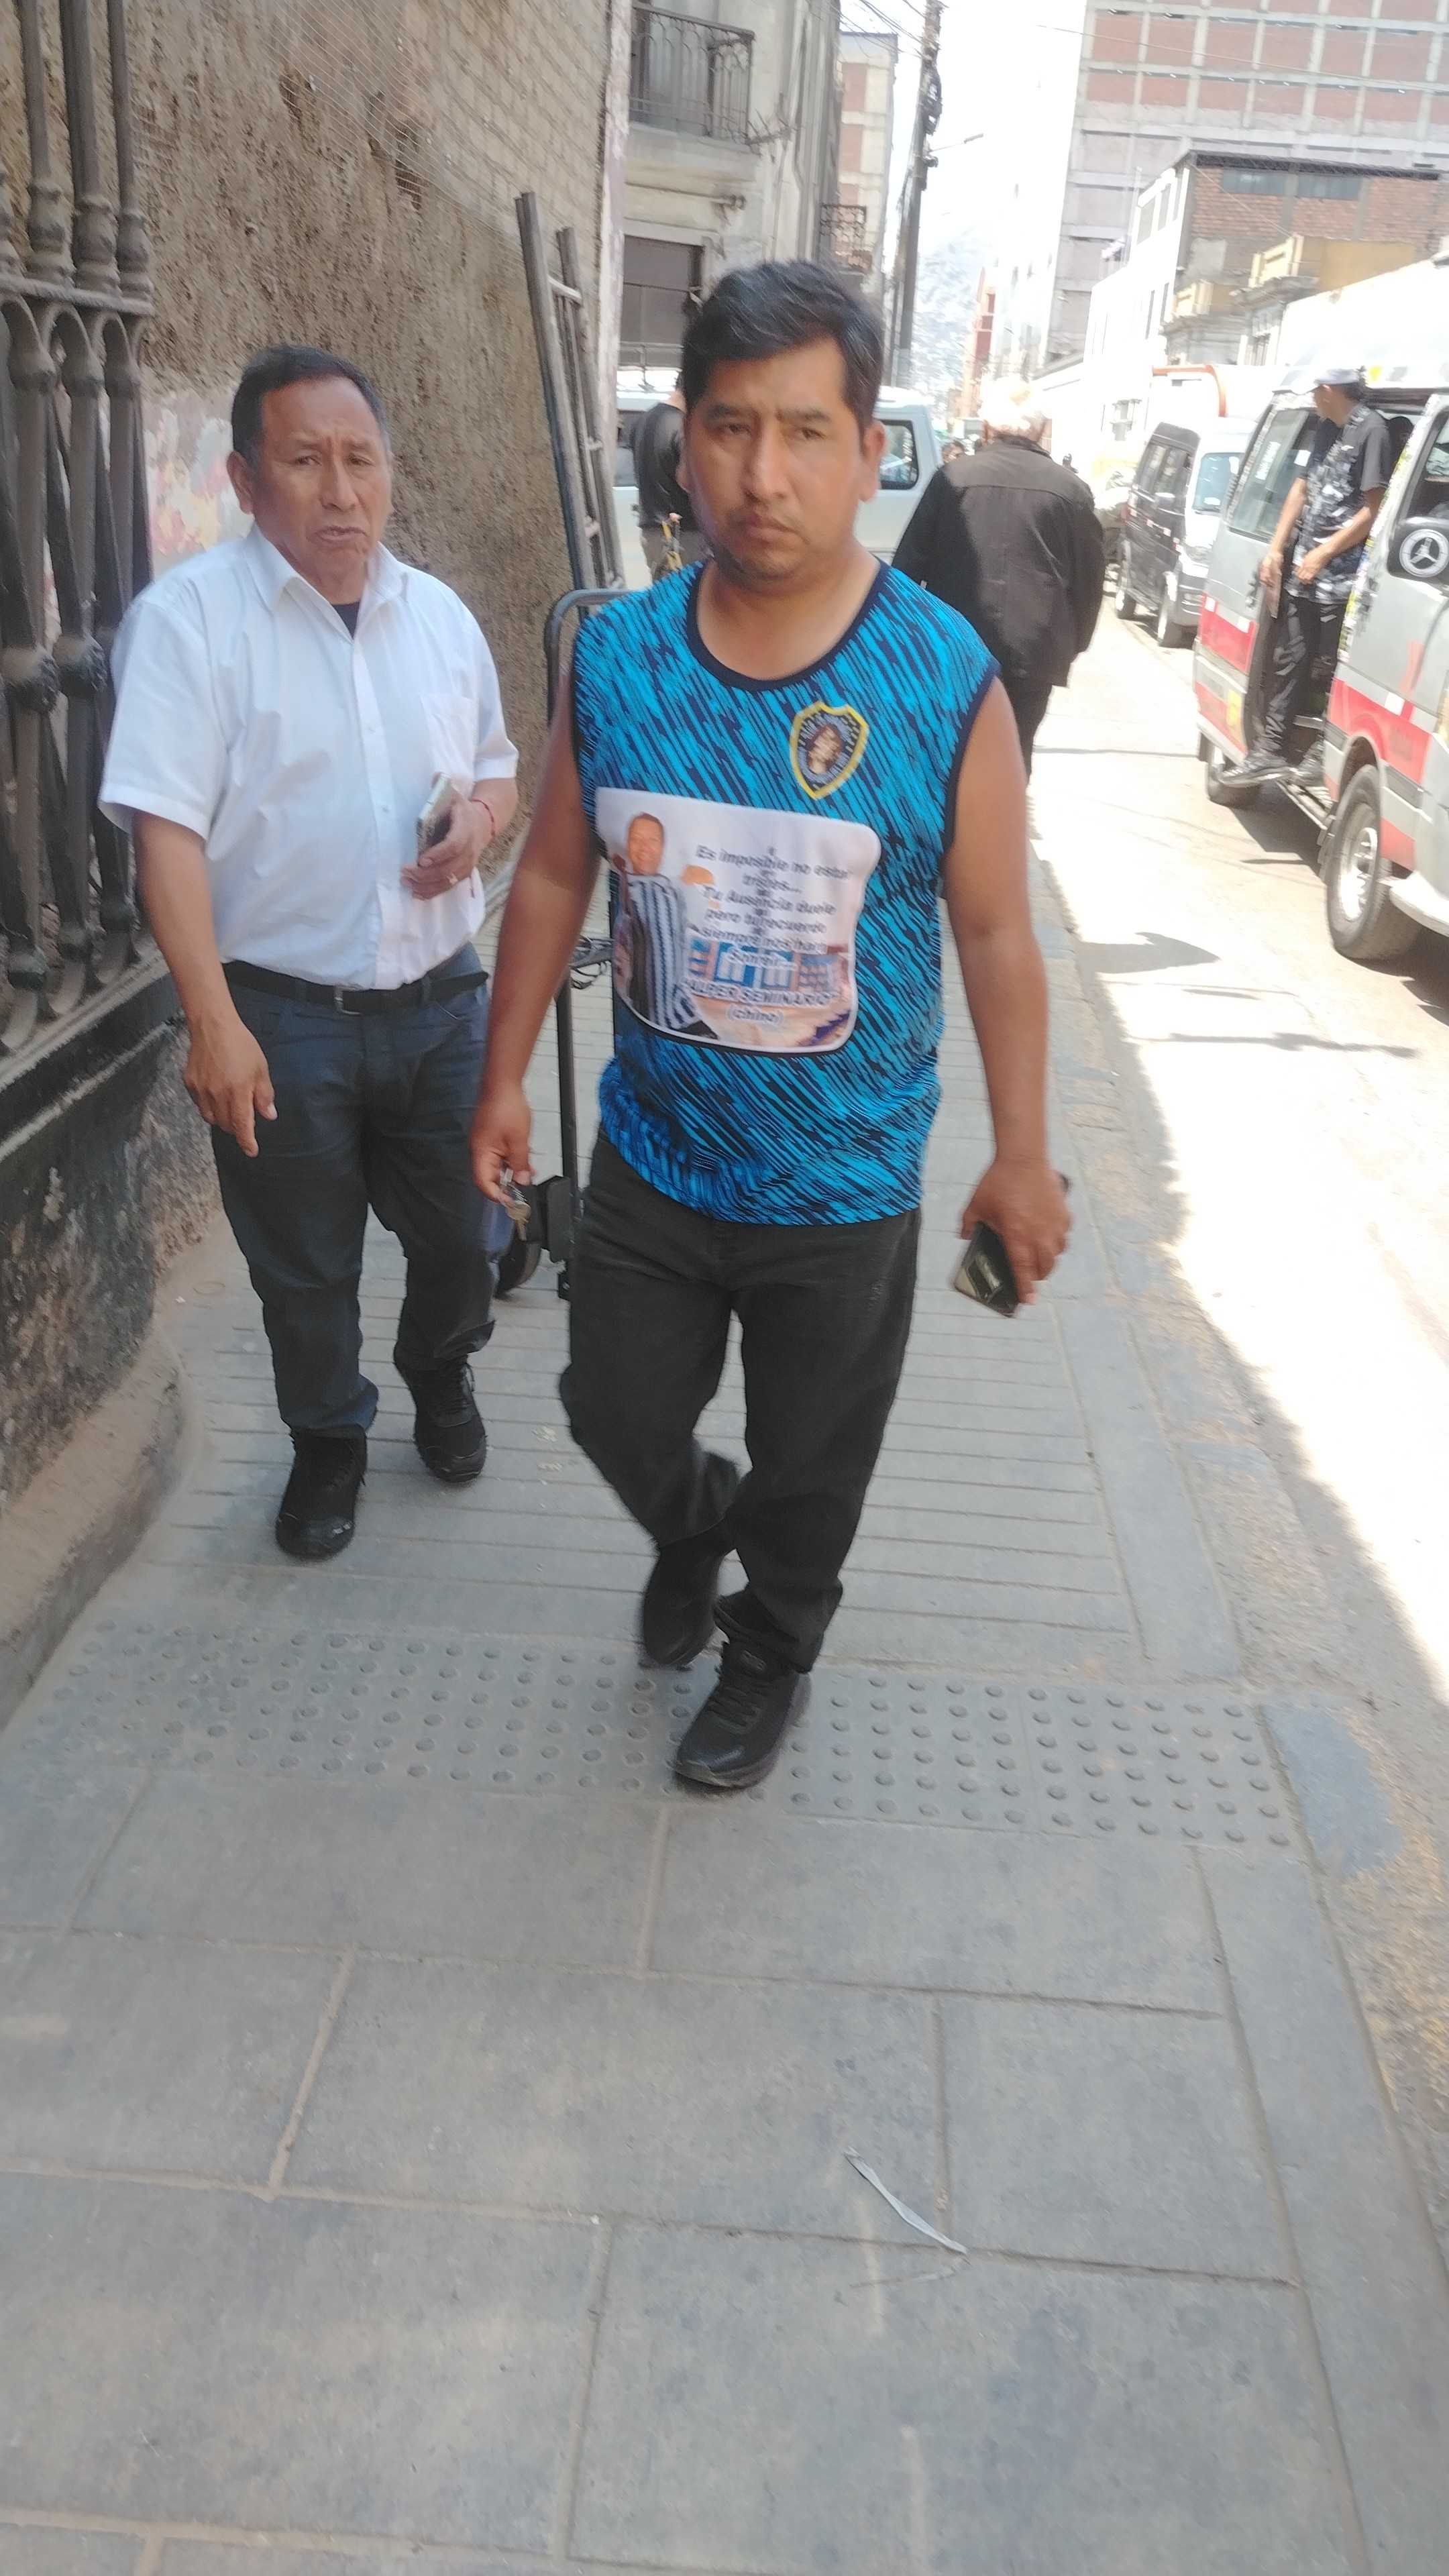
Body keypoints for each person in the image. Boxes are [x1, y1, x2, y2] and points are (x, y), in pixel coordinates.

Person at [472, 262, 1070, 1792]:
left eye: (806, 432)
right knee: (609, 1409)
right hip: (656, 1160)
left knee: (814, 1467)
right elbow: (552, 871)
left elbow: (995, 934)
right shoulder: (618, 655)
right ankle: (690, 1523)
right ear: (682, 438)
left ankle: (768, 1651)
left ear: (870, 454)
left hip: (845, 1188)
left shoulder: (943, 681)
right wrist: (502, 1082)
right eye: (730, 427)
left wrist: (1020, 1153)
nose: (762, 474)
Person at [101, 342, 519, 1561]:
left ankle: (439, 1369)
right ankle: (329, 1439)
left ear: (389, 473)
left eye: (361, 461)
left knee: (469, 1237)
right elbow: (166, 835)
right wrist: (211, 1021)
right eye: (305, 462)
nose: (341, 492)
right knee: (303, 1267)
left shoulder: (438, 618)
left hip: (444, 1006)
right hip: (279, 1019)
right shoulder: (189, 624)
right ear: (244, 479)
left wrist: (479, 822)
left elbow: (496, 768)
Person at [892, 375, 1105, 774]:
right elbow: (1090, 586)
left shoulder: (952, 479)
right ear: (1040, 430)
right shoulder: (1071, 491)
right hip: (1035, 650)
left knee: (947, 754)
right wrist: (1072, 644)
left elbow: (907, 570)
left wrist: (910, 642)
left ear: (987, 426)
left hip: (955, 644)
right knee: (1014, 755)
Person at [1236, 366, 1391, 785]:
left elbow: (1373, 510)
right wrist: (1275, 549)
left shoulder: (1372, 430)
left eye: (1314, 393)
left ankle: (1324, 750)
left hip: (1340, 578)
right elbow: (1301, 489)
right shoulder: (1324, 428)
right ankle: (1270, 749)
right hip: (1304, 570)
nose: (1311, 400)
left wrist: (1324, 553)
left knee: (1329, 667)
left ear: (1328, 390)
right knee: (1291, 658)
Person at [634, 376, 708, 580]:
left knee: (665, 596)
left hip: (652, 532)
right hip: (685, 537)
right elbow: (692, 481)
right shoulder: (682, 427)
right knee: (692, 596)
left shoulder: (644, 420)